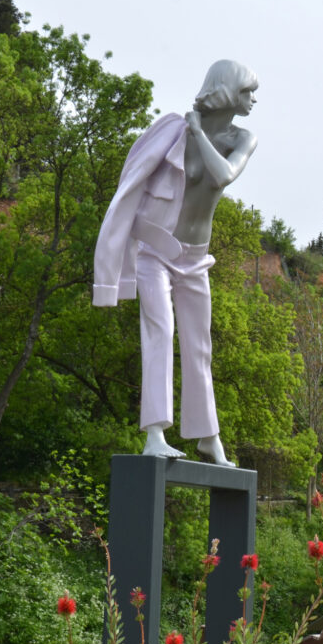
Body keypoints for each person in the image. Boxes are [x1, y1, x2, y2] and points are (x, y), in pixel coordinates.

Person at [92, 60, 259, 467]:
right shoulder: (173, 132)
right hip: (157, 253)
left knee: (200, 347)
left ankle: (208, 438)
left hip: (196, 260)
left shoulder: (242, 138)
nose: (254, 100)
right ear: (226, 91)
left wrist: (200, 132)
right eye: (248, 92)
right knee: (160, 332)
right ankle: (154, 434)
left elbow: (222, 176)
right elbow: (133, 181)